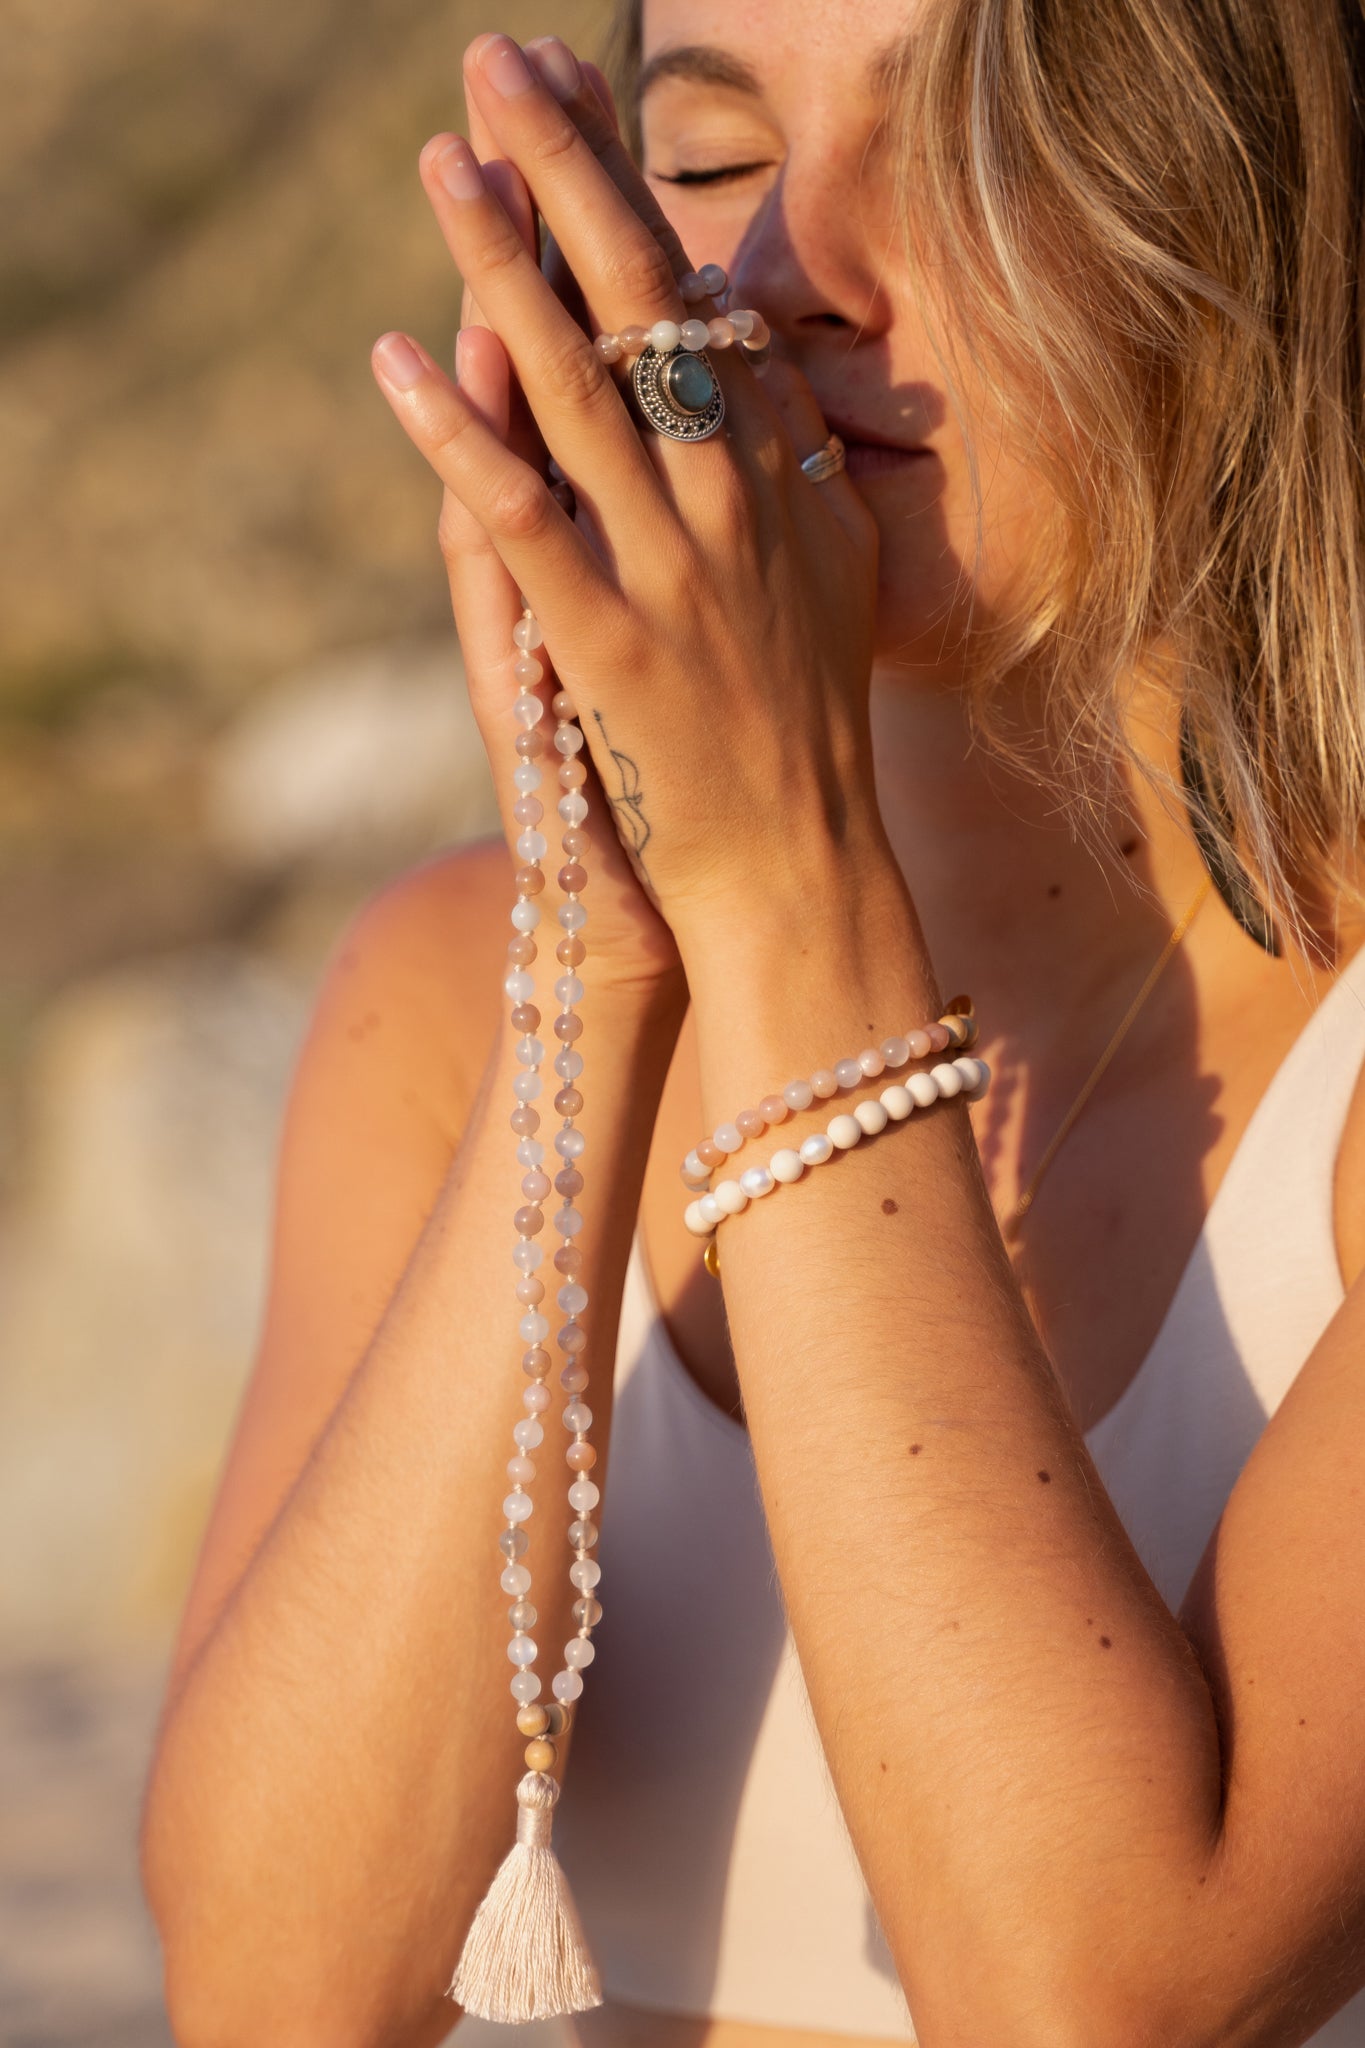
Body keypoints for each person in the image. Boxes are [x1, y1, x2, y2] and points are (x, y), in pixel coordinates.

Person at [140, 1, 1365, 2042]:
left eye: (967, 152)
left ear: (1244, 210)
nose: (788, 270)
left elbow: (1089, 1996)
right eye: (708, 163)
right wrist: (603, 951)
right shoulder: (453, 992)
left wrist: (786, 887)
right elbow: (280, 1986)